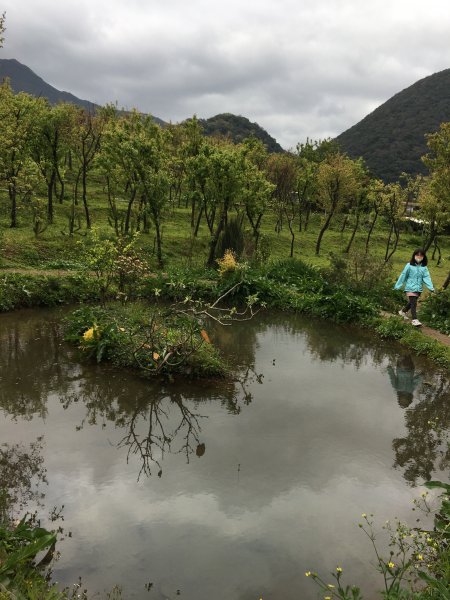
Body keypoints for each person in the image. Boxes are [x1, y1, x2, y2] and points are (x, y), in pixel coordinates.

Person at [394, 248, 434, 327]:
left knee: (412, 302)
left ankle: (403, 311)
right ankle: (414, 320)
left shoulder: (424, 267)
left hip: (418, 288)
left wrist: (431, 287)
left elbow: (427, 277)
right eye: (417, 255)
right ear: (414, 256)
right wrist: (397, 285)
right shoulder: (409, 265)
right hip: (410, 287)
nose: (419, 257)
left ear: (423, 257)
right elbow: (403, 275)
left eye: (421, 255)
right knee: (414, 303)